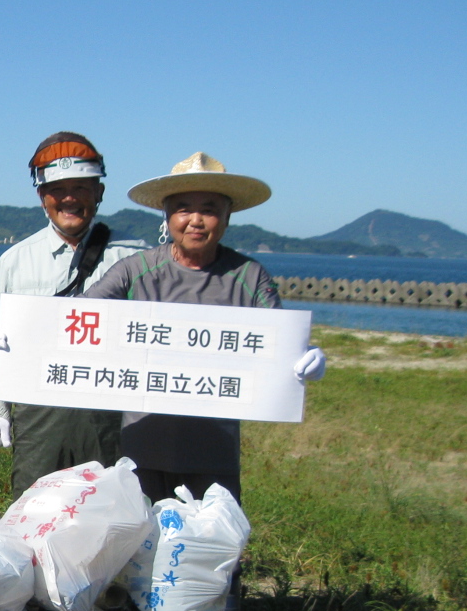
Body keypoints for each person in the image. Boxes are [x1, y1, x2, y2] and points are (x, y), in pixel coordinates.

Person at [82, 152, 327, 503]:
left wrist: (304, 360)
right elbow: (74, 321)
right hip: (142, 446)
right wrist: (22, 338)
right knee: (141, 549)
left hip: (214, 452)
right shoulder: (133, 270)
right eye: (183, 207)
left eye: (209, 208)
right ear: (166, 216)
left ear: (227, 216)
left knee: (213, 551)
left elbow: (280, 344)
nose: (196, 220)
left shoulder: (248, 276)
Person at [0, 133, 146, 494]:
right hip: (37, 412)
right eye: (58, 189)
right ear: (42, 196)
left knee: (105, 509)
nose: (70, 198)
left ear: (99, 193)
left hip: (106, 411)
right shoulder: (15, 262)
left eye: (81, 188)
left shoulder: (129, 261)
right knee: (34, 507)